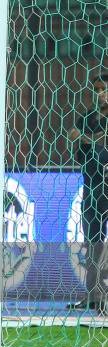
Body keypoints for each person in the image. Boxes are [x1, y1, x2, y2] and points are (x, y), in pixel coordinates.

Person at [68, 73, 108, 316]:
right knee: (92, 242)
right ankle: (93, 295)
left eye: (104, 88)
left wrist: (82, 138)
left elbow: (100, 141)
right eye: (96, 89)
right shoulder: (88, 118)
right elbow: (78, 152)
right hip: (92, 186)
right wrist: (84, 142)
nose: (100, 93)